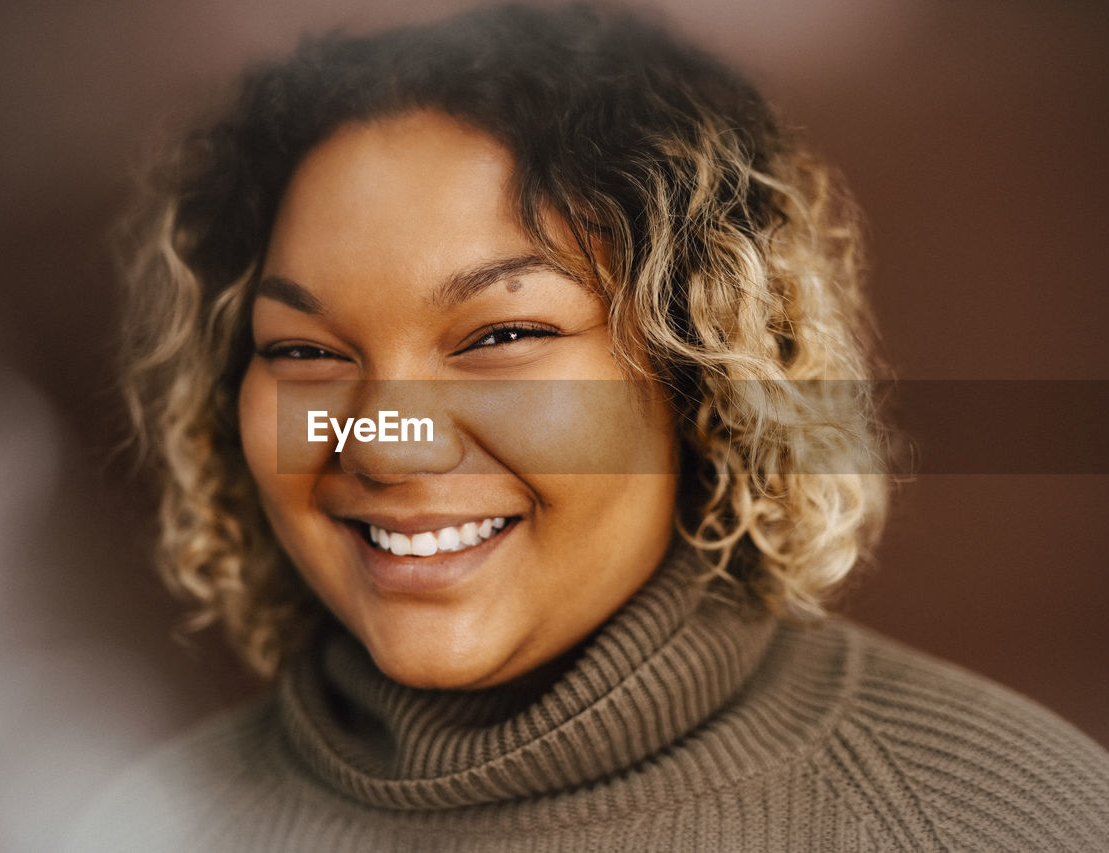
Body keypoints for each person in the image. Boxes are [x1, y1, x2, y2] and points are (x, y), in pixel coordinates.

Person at [69, 4, 1109, 850]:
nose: (385, 440)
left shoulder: (986, 819)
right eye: (303, 352)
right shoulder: (128, 822)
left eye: (500, 335)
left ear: (700, 368)